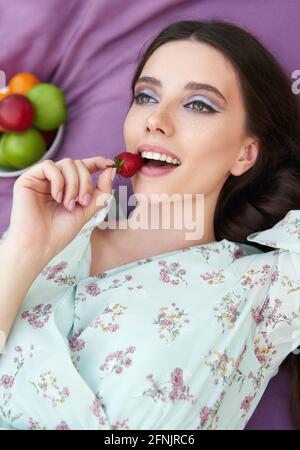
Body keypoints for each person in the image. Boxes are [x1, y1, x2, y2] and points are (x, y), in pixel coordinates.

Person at [0, 19, 300, 430]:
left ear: (245, 154)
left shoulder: (270, 289)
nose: (154, 119)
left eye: (198, 104)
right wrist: (24, 249)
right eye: (145, 96)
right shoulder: (35, 240)